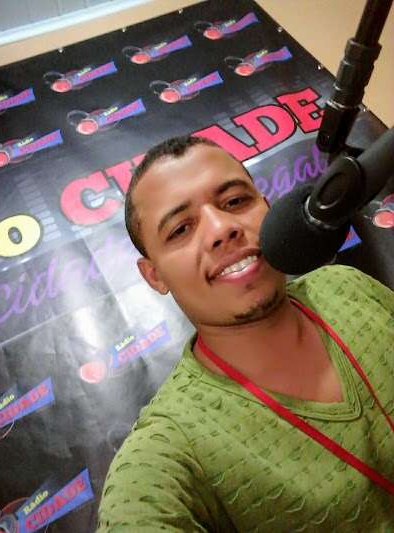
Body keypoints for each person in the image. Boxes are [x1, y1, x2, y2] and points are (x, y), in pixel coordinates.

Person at [97, 135, 394, 532]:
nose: (222, 228)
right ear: (155, 276)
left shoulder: (344, 285)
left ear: (267, 207)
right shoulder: (173, 442)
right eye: (181, 229)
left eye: (235, 201)